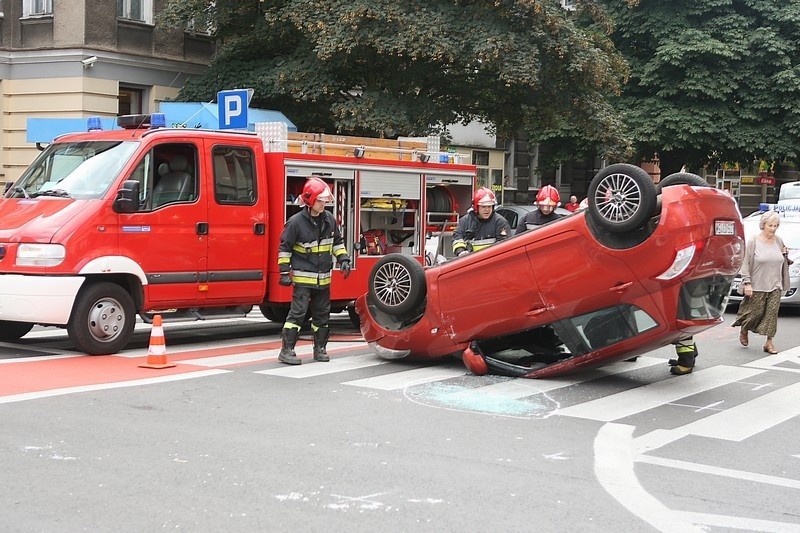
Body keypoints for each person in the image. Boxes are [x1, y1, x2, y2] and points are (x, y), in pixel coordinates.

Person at [277, 177, 351, 365]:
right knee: (297, 315)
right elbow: (284, 248)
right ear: (309, 200)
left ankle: (320, 349)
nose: (323, 204)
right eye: (320, 200)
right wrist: (284, 272)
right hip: (304, 279)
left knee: (322, 316)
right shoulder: (295, 223)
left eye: (325, 200)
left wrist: (343, 258)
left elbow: (337, 243)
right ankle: (287, 350)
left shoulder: (329, 220)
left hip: (323, 279)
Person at [731, 210, 790, 355]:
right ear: (763, 225)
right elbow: (745, 262)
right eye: (770, 225)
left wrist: (785, 255)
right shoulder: (753, 241)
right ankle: (744, 329)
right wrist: (747, 283)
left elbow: (782, 260)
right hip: (757, 284)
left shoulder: (778, 240)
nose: (773, 228)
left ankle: (769, 343)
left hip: (775, 284)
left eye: (776, 225)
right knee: (754, 313)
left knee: (771, 314)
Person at [452, 187, 510, 256]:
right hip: (470, 262)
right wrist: (461, 251)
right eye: (483, 207)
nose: (487, 210)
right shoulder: (465, 221)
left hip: (492, 262)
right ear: (476, 207)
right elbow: (457, 239)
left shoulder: (500, 222)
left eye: (489, 206)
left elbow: (504, 246)